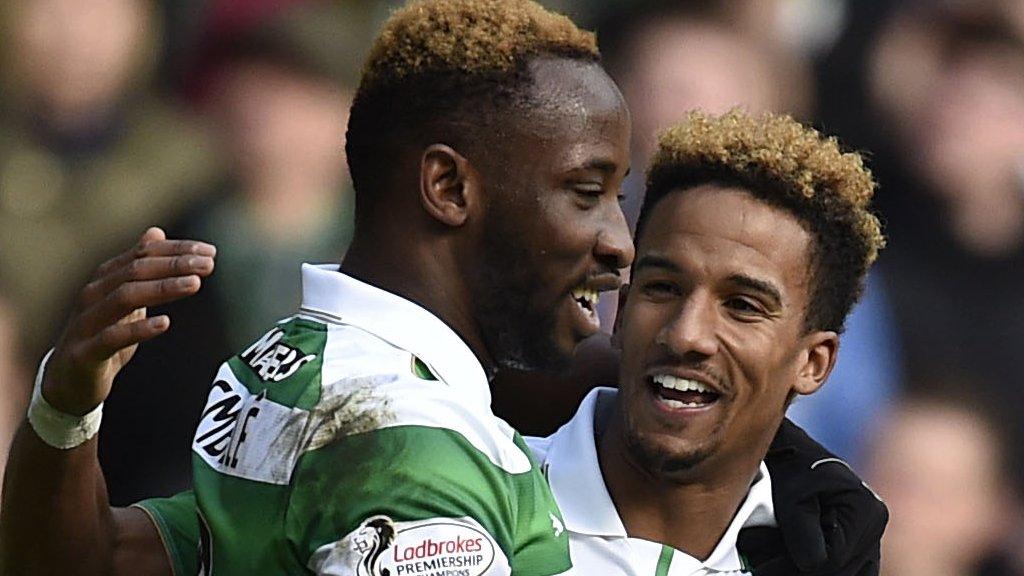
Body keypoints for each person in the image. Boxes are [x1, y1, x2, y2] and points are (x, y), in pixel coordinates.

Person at [1, 2, 884, 575]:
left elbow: (97, 559)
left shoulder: (322, 376)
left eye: (744, 303)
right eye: (588, 195)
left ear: (816, 359)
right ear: (450, 190)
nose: (614, 245)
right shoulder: (404, 445)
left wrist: (60, 411)